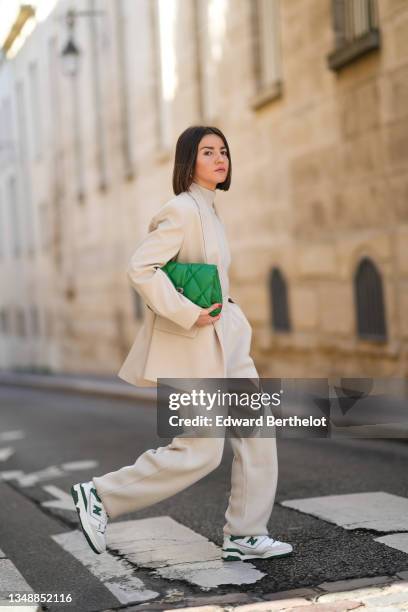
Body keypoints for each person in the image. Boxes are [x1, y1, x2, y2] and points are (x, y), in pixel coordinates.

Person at [71, 125, 293, 562]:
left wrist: (228, 318)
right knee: (202, 448)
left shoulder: (209, 210)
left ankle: (246, 534)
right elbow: (142, 268)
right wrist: (189, 313)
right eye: (207, 151)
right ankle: (100, 495)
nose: (219, 158)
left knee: (256, 432)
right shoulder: (181, 210)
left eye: (224, 151)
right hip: (194, 340)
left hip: (227, 333)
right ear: (188, 161)